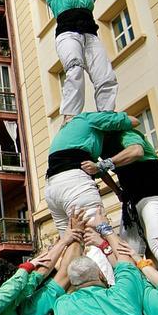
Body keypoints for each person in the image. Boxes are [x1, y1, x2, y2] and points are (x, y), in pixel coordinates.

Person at [43, 111, 137, 277]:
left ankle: (76, 294)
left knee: (72, 247)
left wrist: (116, 191)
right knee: (94, 239)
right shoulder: (89, 118)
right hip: (74, 184)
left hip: (52, 188)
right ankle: (109, 290)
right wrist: (109, 124)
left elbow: (93, 168)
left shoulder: (63, 135)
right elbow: (133, 121)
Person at [29, 0, 118, 117]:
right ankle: (70, 114)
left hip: (90, 35)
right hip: (68, 34)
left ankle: (107, 112)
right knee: (75, 68)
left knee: (105, 74)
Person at [86, 126, 158, 264]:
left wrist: (103, 164)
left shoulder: (126, 134)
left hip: (152, 196)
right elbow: (100, 171)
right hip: (130, 205)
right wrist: (117, 191)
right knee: (127, 255)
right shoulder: (103, 148)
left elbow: (137, 151)